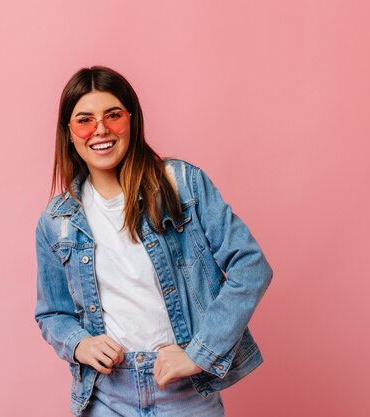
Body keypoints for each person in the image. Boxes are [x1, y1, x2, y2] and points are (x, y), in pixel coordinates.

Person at [35, 66, 273, 417]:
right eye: (84, 120)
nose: (100, 129)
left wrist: (199, 353)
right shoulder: (56, 221)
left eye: (112, 115)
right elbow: (52, 312)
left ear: (131, 120)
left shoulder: (181, 184)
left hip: (182, 393)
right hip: (106, 394)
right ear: (69, 133)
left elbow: (250, 267)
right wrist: (79, 344)